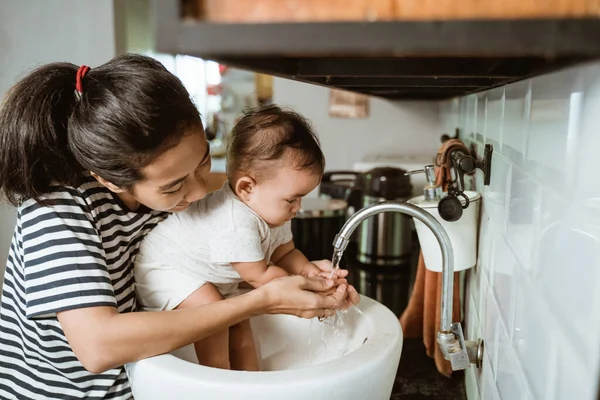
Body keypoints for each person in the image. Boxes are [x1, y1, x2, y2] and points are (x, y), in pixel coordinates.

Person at [0, 54, 359, 400]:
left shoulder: (175, 192)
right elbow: (97, 347)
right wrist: (260, 300)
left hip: (146, 383)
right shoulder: (58, 210)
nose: (199, 190)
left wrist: (312, 279)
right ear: (110, 181)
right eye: (173, 185)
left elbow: (243, 222)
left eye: (204, 162)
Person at [134, 105, 339, 371]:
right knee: (212, 311)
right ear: (246, 188)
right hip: (166, 270)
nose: (297, 207)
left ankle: (251, 380)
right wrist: (305, 285)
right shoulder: (234, 221)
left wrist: (309, 272)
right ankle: (218, 375)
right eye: (292, 198)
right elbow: (259, 276)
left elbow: (285, 254)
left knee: (240, 320)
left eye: (301, 197)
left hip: (210, 275)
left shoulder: (273, 212)